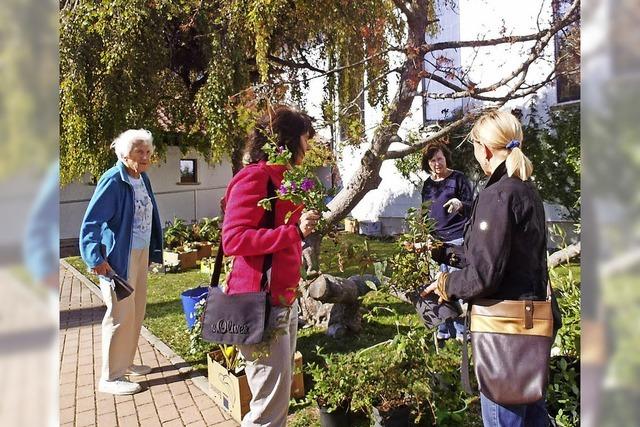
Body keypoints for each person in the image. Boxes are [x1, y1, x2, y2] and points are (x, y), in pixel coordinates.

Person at [422, 110, 550, 426]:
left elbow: (484, 275)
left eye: (476, 145)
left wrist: (445, 285)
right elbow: (499, 255)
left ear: (486, 150)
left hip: (504, 335)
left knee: (505, 417)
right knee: (532, 414)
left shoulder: (498, 194)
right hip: (531, 321)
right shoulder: (526, 189)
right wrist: (448, 254)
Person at [222, 105, 320, 426]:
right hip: (259, 305)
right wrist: (293, 231)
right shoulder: (255, 178)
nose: (308, 146)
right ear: (289, 140)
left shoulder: (285, 179)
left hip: (283, 301)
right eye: (305, 138)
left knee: (277, 401)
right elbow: (234, 240)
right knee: (267, 411)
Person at [79, 129, 163, 395]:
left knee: (136, 312)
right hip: (118, 259)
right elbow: (92, 222)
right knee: (119, 315)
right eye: (140, 151)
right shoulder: (113, 180)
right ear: (125, 154)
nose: (146, 156)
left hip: (139, 254)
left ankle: (125, 363)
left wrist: (152, 252)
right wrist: (95, 257)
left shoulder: (142, 178)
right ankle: (111, 376)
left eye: (148, 151)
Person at [420, 141, 473, 342]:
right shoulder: (428, 184)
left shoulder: (458, 178)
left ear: (446, 158)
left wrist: (460, 205)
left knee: (454, 286)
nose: (437, 163)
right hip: (436, 240)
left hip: (457, 237)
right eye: (432, 160)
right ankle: (443, 329)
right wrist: (424, 232)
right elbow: (424, 209)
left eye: (440, 159)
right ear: (428, 163)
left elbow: (472, 206)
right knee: (438, 284)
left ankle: (461, 331)